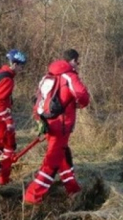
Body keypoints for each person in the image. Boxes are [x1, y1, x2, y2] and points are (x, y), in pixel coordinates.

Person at [24, 49, 90, 205]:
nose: (77, 65)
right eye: (77, 62)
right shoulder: (69, 75)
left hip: (47, 123)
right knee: (52, 162)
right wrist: (78, 104)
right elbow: (83, 96)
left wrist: (39, 120)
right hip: (61, 125)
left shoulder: (47, 76)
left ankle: (72, 188)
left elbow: (38, 99)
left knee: (62, 155)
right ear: (73, 61)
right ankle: (32, 197)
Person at [0, 49, 27, 185]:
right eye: (21, 65)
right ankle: (3, 180)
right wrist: (8, 120)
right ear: (14, 64)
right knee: (7, 148)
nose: (22, 68)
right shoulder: (7, 78)